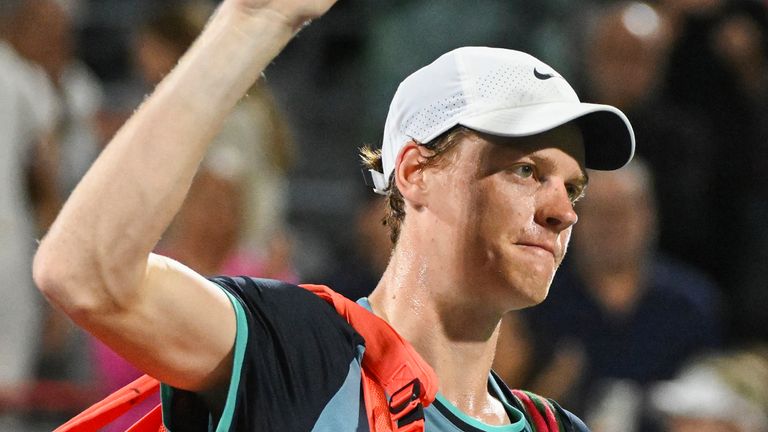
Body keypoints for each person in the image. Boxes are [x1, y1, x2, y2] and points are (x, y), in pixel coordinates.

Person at [33, 0, 634, 430]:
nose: (562, 212)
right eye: (526, 171)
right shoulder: (300, 348)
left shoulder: (555, 426)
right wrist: (253, 21)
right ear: (415, 172)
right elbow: (84, 274)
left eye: (573, 188)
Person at [519, 159, 723, 431]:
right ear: (572, 217)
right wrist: (553, 385)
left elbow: (717, 401)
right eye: (599, 211)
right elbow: (498, 402)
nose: (611, 224)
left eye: (624, 209)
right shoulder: (534, 298)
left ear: (649, 214)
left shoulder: (691, 304)